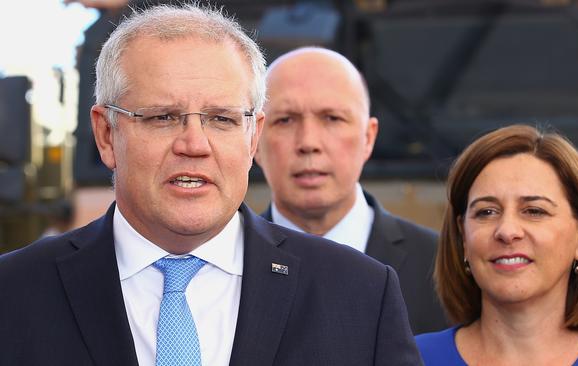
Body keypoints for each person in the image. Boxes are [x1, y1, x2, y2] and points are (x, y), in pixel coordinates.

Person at [0, 5, 422, 366]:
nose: (194, 145)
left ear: (253, 136)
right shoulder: (13, 294)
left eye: (221, 119)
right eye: (162, 117)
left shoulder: (361, 294)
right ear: (107, 135)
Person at [416, 124, 578, 365]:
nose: (507, 231)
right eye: (486, 212)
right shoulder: (406, 358)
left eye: (534, 211)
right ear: (462, 236)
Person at [254, 47, 447, 335]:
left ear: (368, 137)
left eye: (332, 118)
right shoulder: (222, 265)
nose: (308, 142)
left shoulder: (442, 266)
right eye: (285, 120)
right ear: (254, 139)